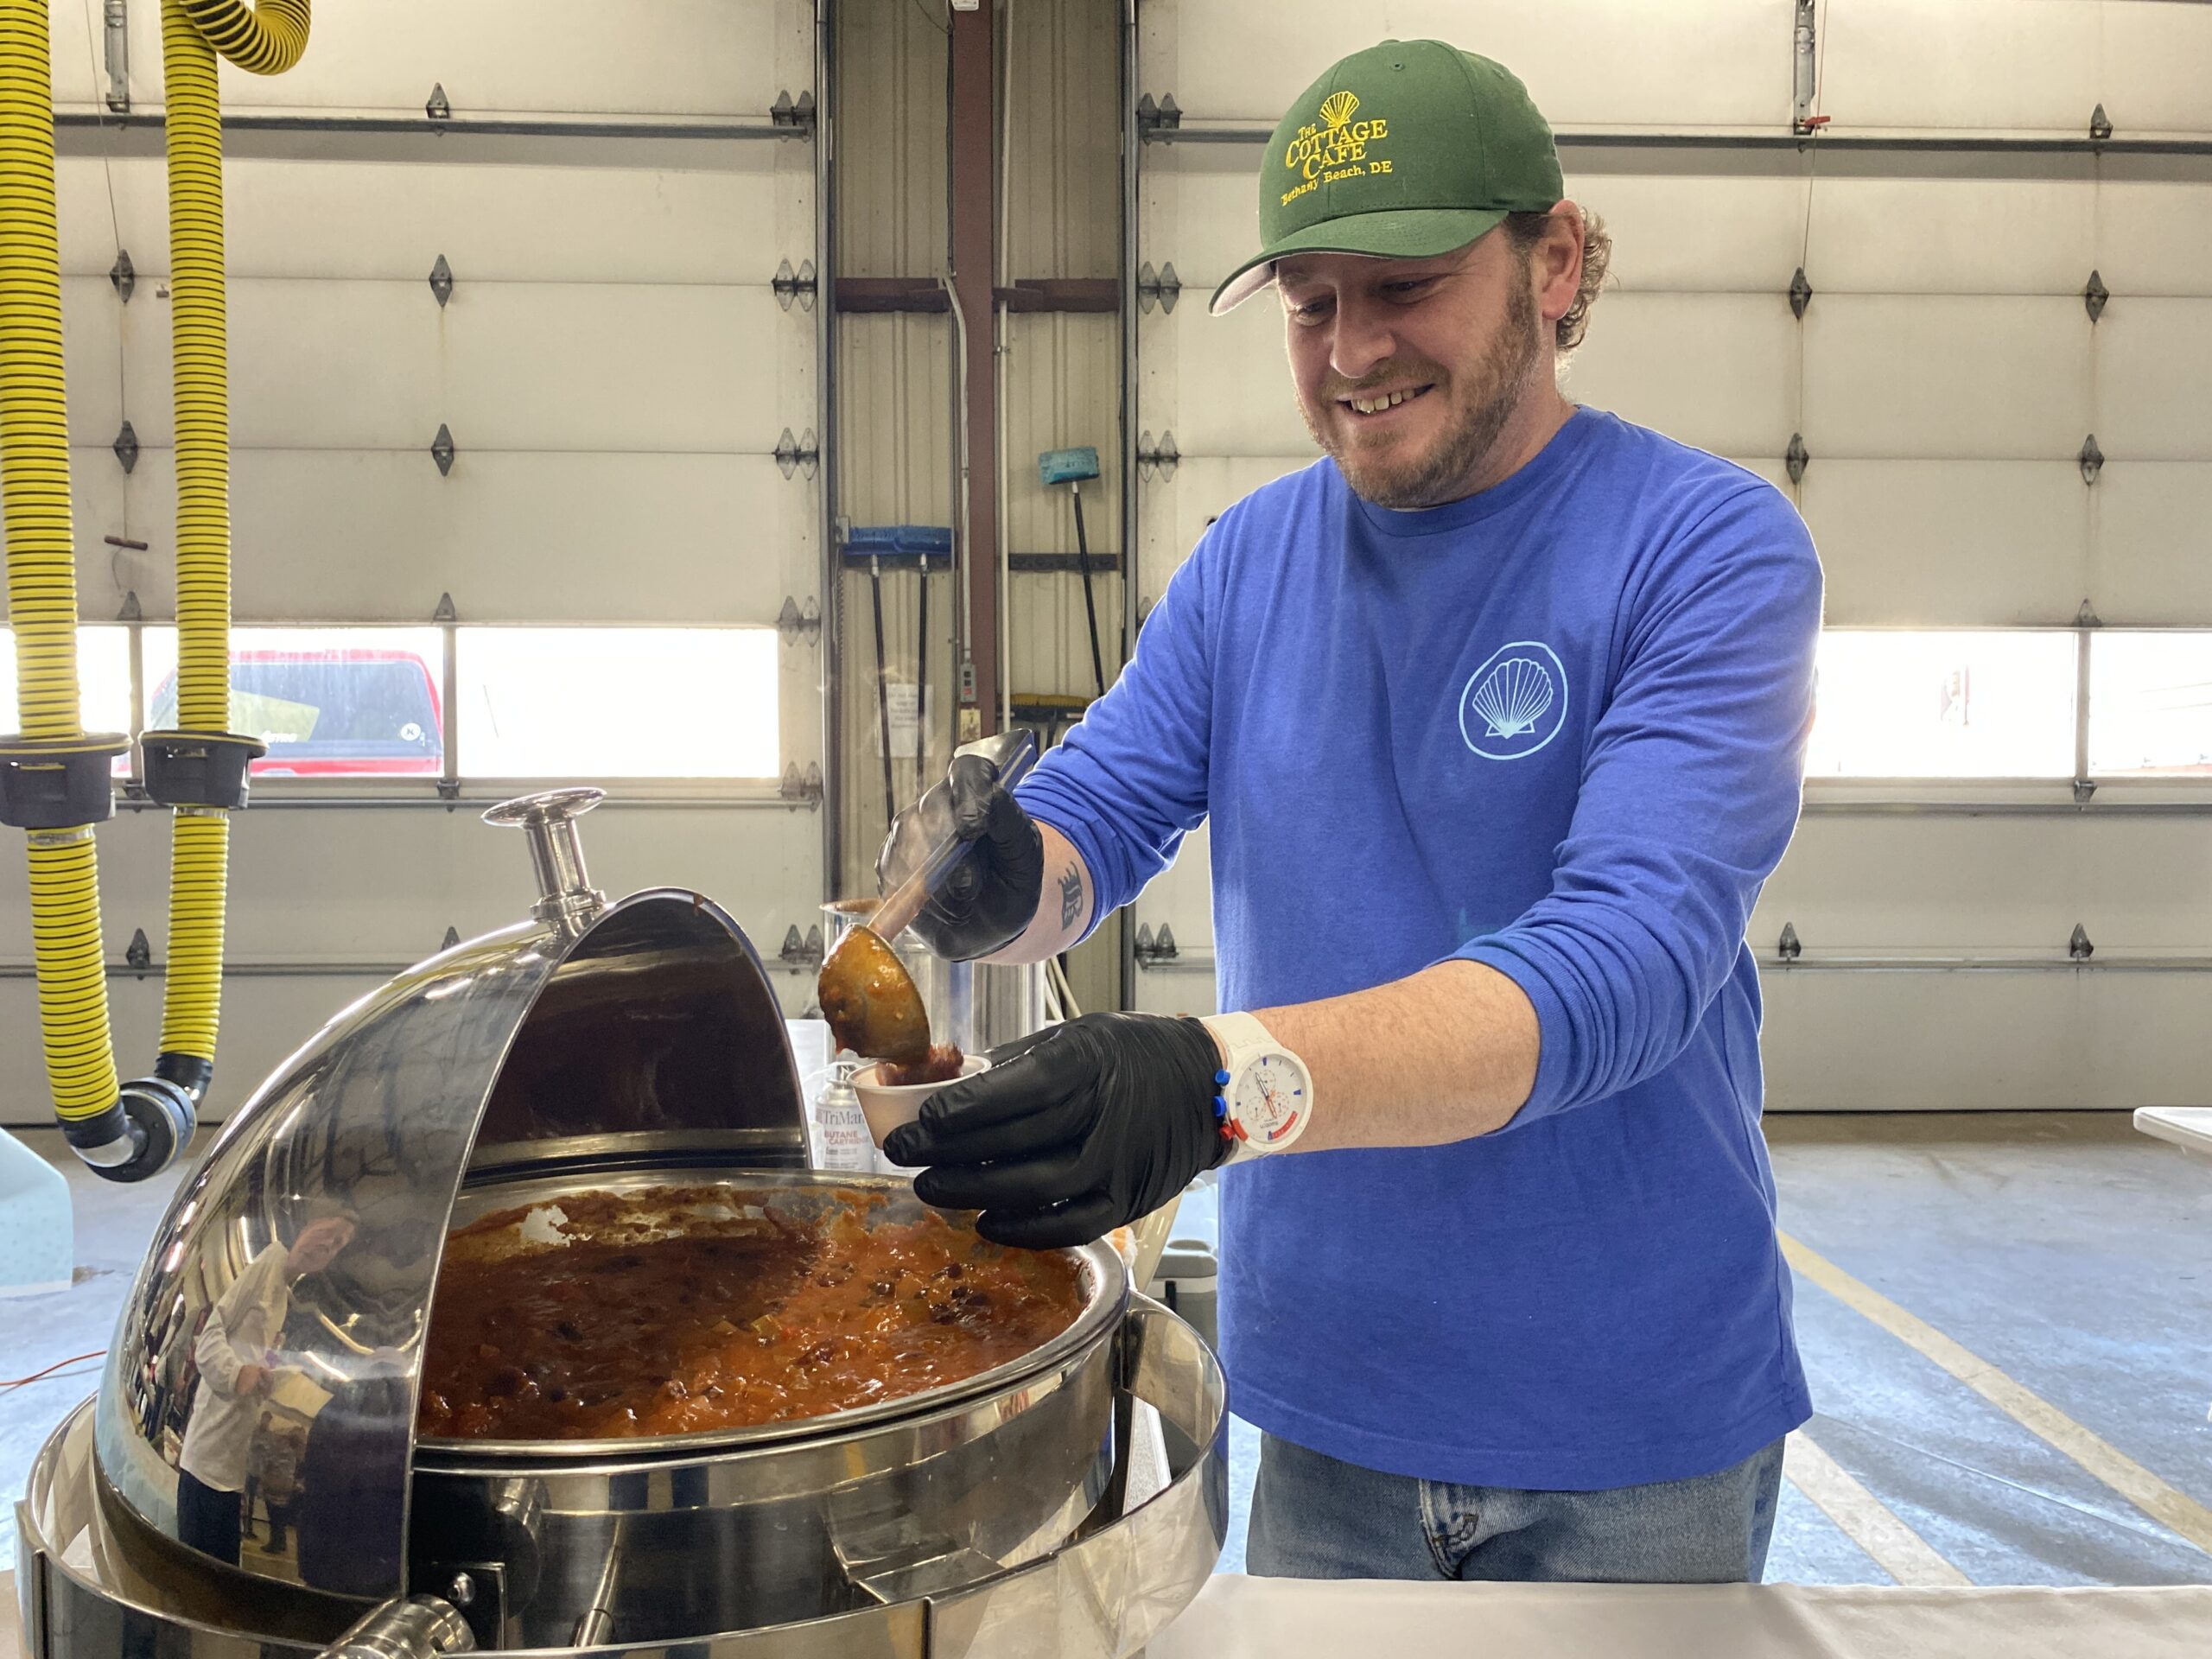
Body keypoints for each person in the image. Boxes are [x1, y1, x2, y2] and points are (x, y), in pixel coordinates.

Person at [881, 38, 1822, 1585]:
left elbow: (1627, 966)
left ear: (1554, 263)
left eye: (1404, 287)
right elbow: (1094, 828)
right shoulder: (1248, 561)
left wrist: (1214, 1085)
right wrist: (998, 882)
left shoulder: (1704, 549)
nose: (1351, 351)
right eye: (1311, 303)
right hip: (1329, 1405)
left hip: (1627, 1418)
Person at [175, 1205, 355, 1566]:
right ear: (307, 1224)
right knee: (201, 1573)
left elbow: (259, 1359)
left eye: (337, 1245)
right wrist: (235, 1373)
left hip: (231, 1467)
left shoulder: (283, 1299)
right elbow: (210, 1334)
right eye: (327, 1232)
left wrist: (270, 1376)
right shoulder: (270, 1260)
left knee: (225, 1570)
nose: (327, 1246)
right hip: (207, 1460)